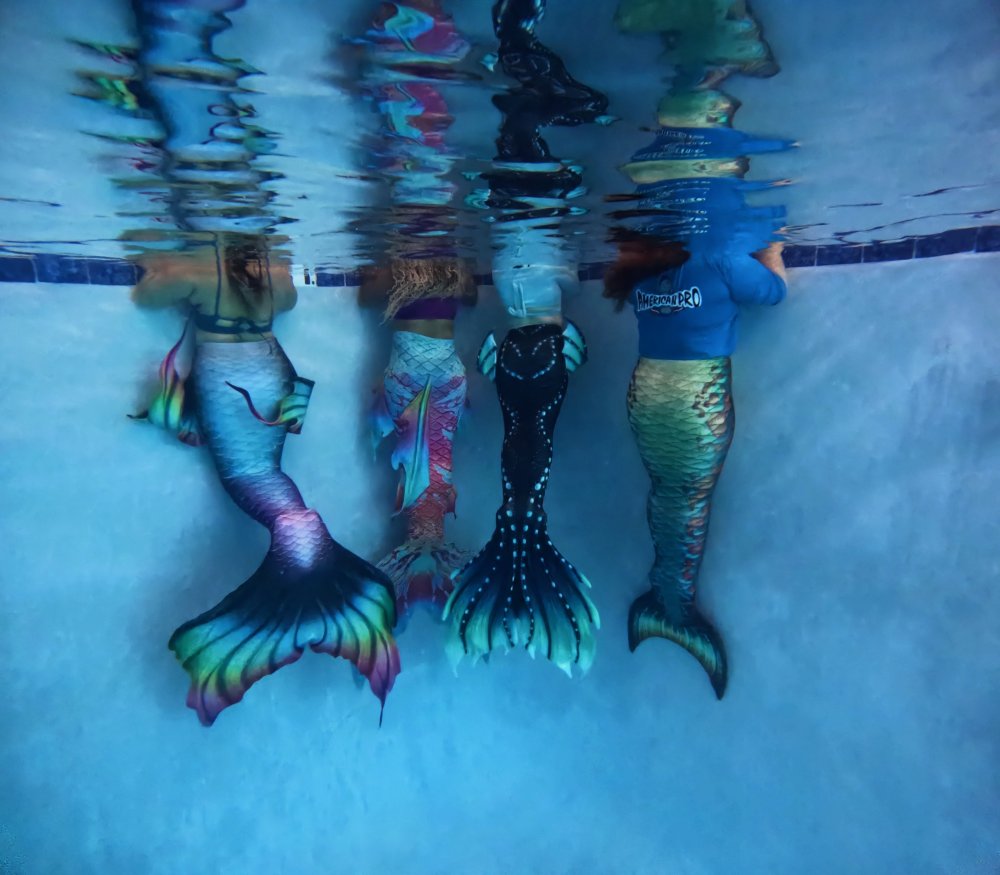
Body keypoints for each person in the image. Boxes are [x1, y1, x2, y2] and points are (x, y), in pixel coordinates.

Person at [132, 236, 400, 725]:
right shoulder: (274, 273)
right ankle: (303, 545)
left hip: (228, 376)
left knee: (248, 474)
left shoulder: (195, 268)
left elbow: (148, 295)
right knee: (265, 470)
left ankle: (298, 541)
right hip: (268, 370)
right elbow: (289, 297)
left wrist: (158, 259)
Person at [603, 231, 786, 697]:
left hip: (647, 392)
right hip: (695, 397)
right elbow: (774, 292)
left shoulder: (640, 261)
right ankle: (672, 607)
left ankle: (667, 599)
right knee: (687, 497)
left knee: (667, 490)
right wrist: (771, 249)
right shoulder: (722, 256)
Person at [359, 257, 476, 619]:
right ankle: (429, 560)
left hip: (408, 373)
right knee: (439, 465)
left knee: (412, 463)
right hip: (446, 374)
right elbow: (471, 298)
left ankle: (418, 562)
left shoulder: (393, 270)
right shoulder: (459, 269)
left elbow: (365, 297)